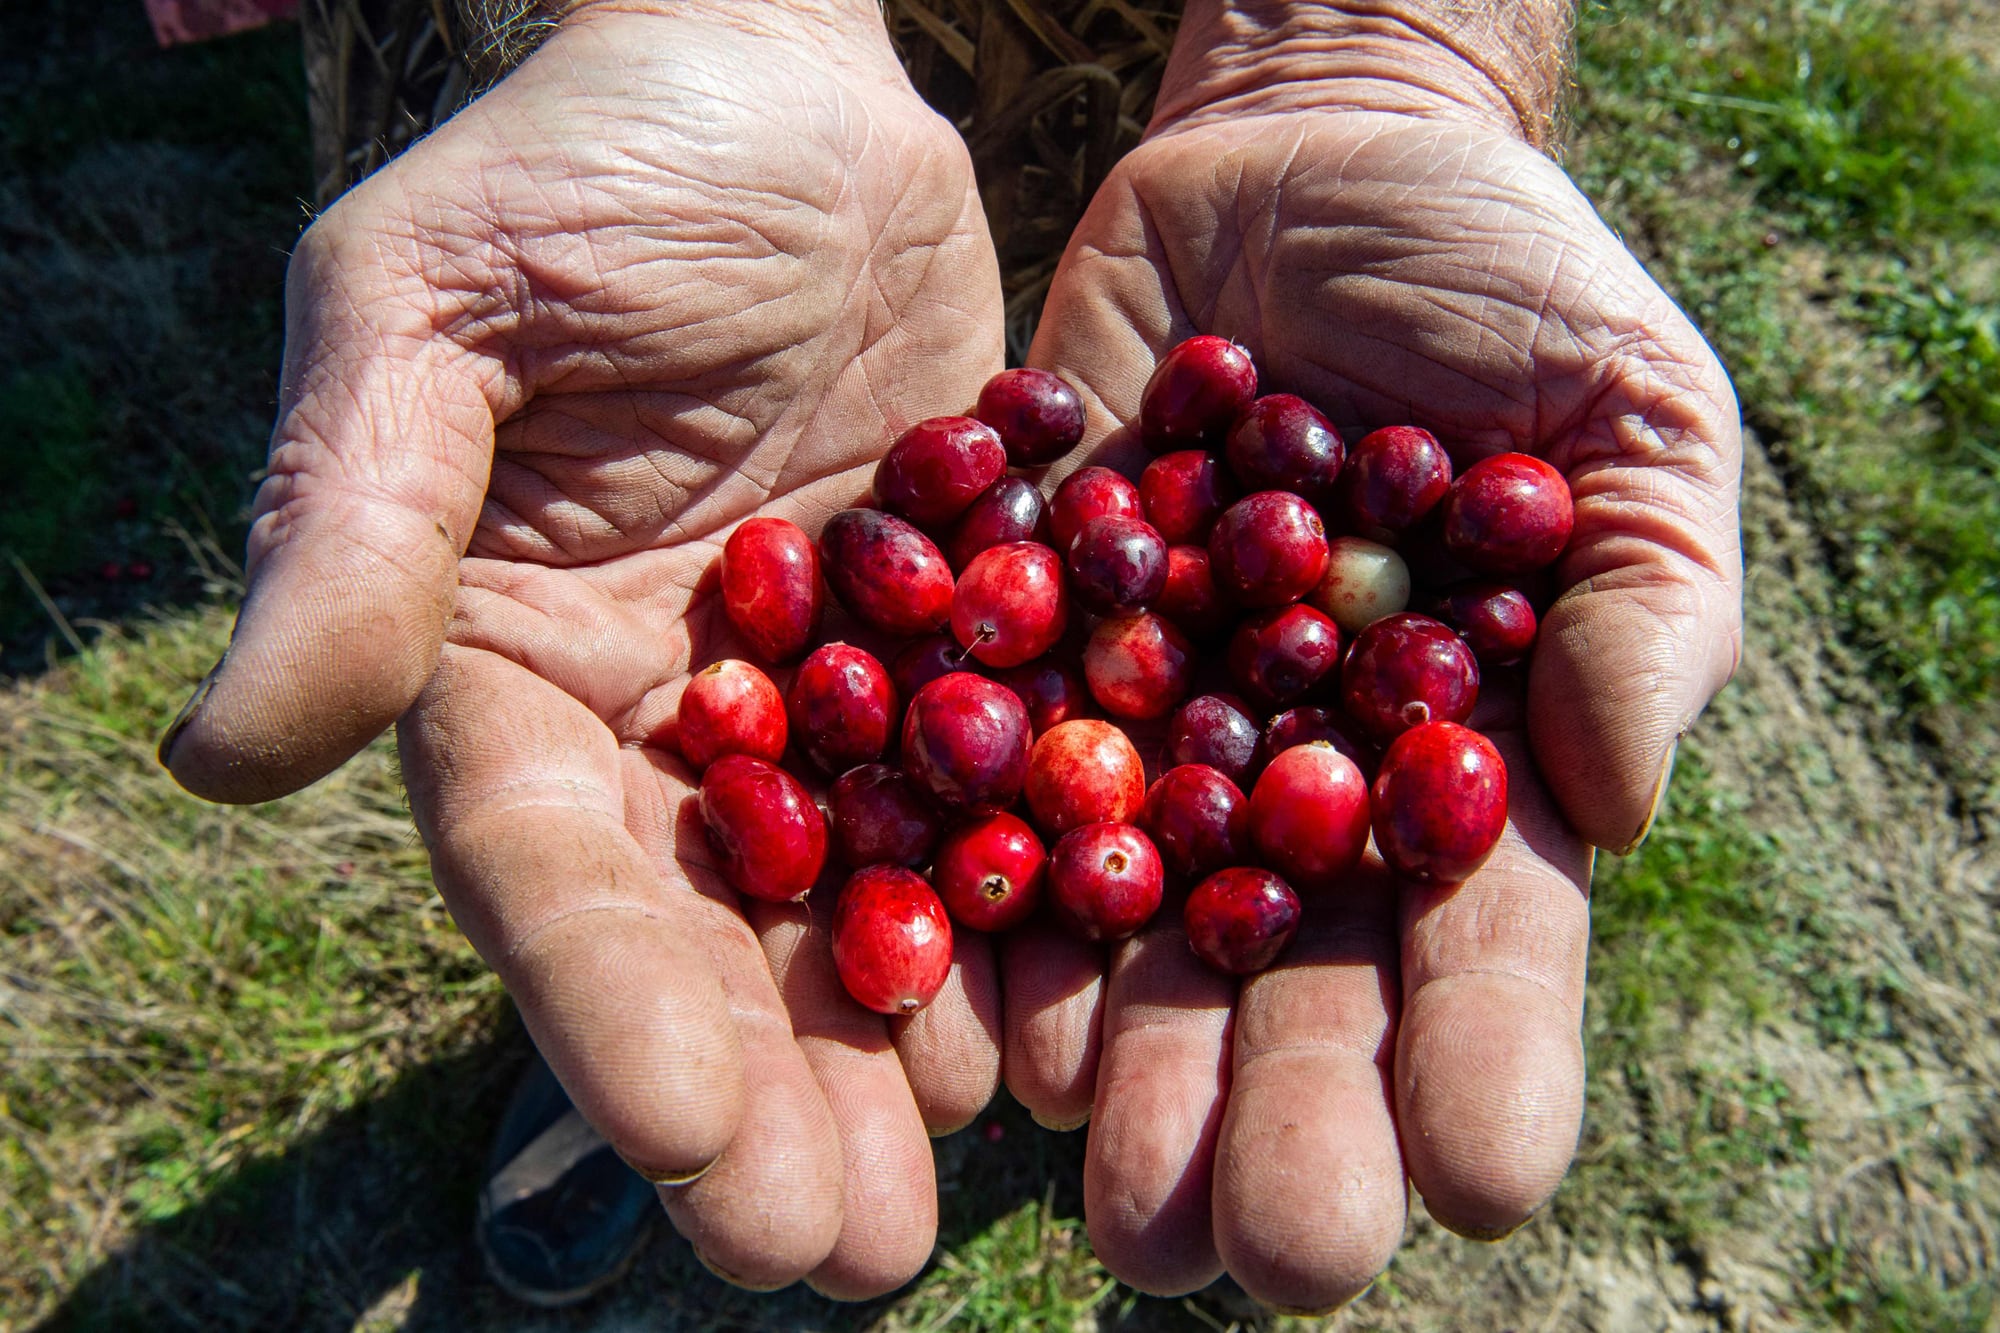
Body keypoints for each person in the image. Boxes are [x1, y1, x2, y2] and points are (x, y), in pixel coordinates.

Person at [159, 0, 1742, 1314]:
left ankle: (1076, 1087)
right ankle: (640, 1054)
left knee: (1130, 1036)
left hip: (1182, 159)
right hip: (750, 214)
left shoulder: (1189, 600)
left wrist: (1369, 49)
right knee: (648, 884)